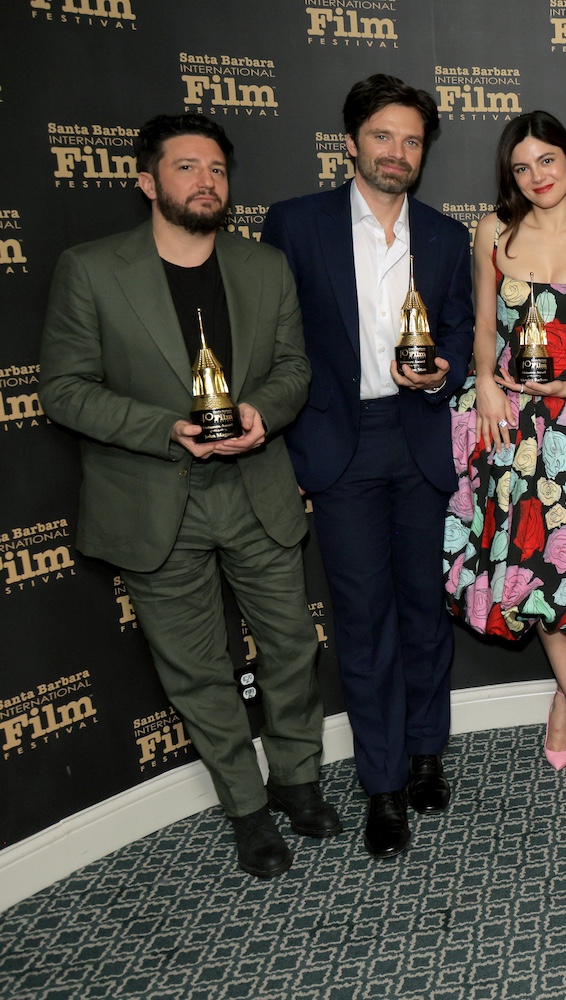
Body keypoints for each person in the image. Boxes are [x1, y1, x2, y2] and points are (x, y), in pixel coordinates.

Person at [39, 114, 335, 878]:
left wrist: (259, 413)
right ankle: (245, 807)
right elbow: (65, 391)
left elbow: (295, 369)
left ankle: (298, 780)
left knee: (292, 648)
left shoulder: (264, 267)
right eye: (185, 167)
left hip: (255, 483)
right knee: (197, 668)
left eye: (216, 169)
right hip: (153, 497)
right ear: (147, 181)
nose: (205, 180)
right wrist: (165, 428)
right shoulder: (92, 269)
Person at [262, 75, 475, 859]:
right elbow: (275, 340)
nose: (398, 153)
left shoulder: (448, 237)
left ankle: (426, 753)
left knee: (424, 609)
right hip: (339, 444)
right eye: (383, 137)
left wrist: (442, 365)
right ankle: (382, 785)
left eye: (412, 141)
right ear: (351, 141)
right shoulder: (295, 225)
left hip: (417, 435)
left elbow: (454, 328)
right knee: (363, 619)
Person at [444, 111, 566, 770]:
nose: (536, 177)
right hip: (508, 425)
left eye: (547, 162)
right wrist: (487, 381)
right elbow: (481, 322)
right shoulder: (494, 233)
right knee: (535, 565)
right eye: (522, 167)